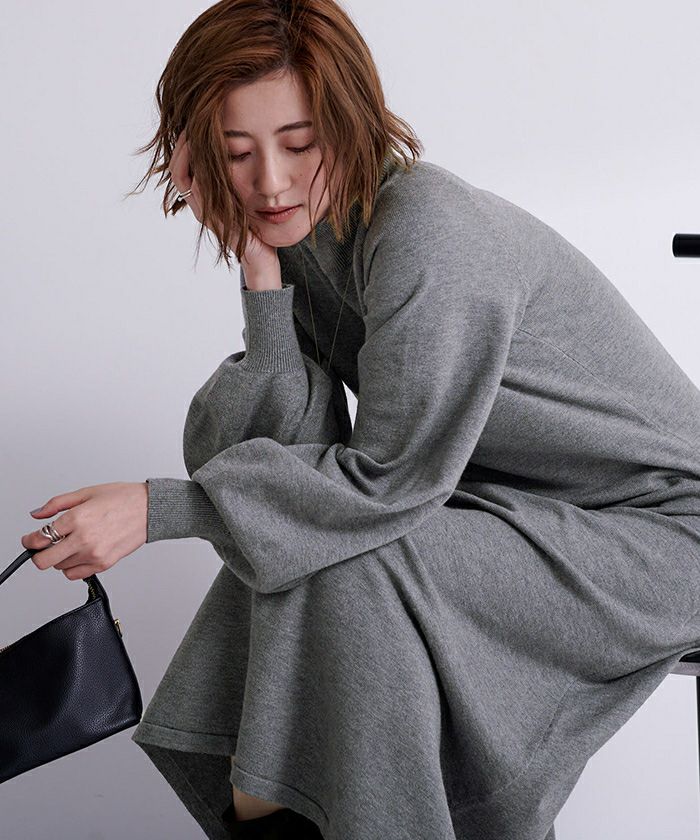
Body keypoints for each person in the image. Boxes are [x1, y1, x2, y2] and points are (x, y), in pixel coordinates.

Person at [22, 1, 700, 838]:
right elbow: (302, 466)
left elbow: (383, 483)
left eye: (300, 144)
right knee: (308, 554)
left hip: (662, 537)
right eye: (236, 153)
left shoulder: (430, 235)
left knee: (347, 567)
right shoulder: (305, 232)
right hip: (508, 517)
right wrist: (262, 282)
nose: (271, 183)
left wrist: (159, 510)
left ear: (352, 123)